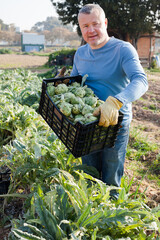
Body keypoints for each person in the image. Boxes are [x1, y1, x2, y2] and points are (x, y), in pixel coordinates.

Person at [70, 3, 148, 199]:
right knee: (88, 172)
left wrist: (116, 101)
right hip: (89, 124)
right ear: (81, 29)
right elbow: (73, 83)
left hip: (116, 123)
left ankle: (110, 215)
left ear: (105, 23)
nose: (91, 30)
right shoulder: (80, 53)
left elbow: (141, 80)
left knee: (111, 175)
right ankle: (89, 212)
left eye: (95, 24)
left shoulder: (123, 50)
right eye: (85, 26)